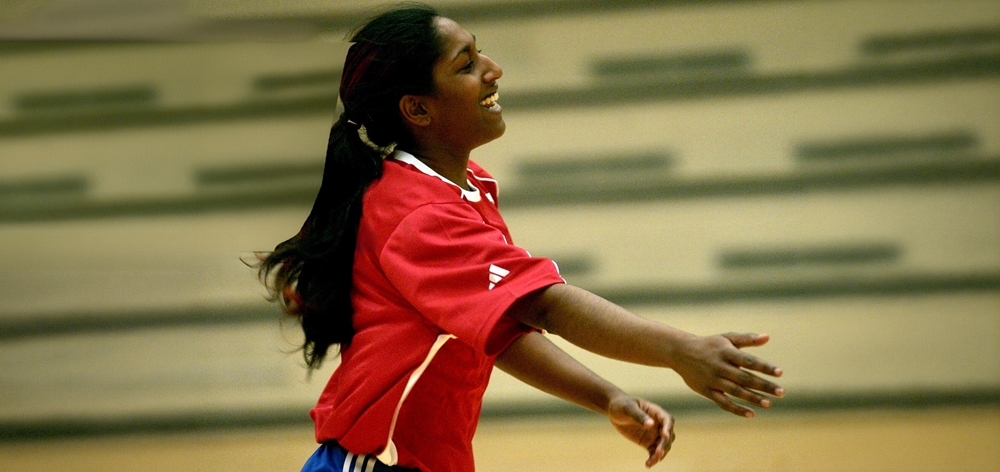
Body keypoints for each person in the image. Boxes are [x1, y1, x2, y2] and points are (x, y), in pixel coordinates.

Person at [257, 4, 784, 472]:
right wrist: (681, 350)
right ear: (417, 109)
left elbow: (496, 331)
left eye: (479, 53)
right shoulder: (419, 216)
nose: (492, 70)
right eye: (466, 65)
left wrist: (607, 397)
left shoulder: (462, 188)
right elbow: (546, 308)